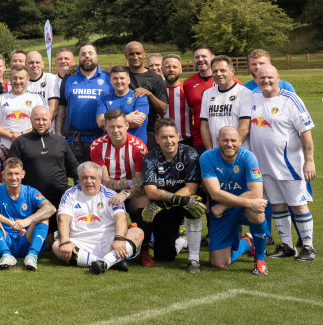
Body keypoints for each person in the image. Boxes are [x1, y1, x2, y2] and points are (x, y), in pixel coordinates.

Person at [247, 65, 317, 262]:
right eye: (262, 78)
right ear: (256, 79)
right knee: (277, 205)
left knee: (298, 205)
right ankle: (287, 246)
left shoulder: (290, 99)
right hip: (264, 166)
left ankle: (309, 247)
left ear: (278, 78)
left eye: (270, 77)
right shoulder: (253, 98)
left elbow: (306, 133)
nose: (266, 81)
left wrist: (309, 161)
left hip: (290, 165)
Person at [52, 161, 145, 274]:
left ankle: (105, 262)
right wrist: (66, 241)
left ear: (100, 180)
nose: (89, 181)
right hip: (80, 243)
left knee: (138, 232)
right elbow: (63, 219)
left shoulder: (110, 194)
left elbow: (120, 218)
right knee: (57, 246)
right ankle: (110, 262)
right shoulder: (69, 194)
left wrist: (119, 239)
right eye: (84, 178)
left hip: (109, 242)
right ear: (79, 180)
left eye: (93, 178)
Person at [200, 126, 269, 274]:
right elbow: (215, 194)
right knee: (219, 264)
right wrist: (248, 202)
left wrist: (224, 205)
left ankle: (260, 258)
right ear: (218, 141)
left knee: (257, 210)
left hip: (236, 209)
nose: (229, 144)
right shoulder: (207, 157)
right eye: (225, 140)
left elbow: (256, 193)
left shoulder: (249, 157)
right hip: (221, 213)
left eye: (233, 140)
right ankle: (246, 243)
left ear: (240, 141)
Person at [140, 120, 207, 273]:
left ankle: (194, 258)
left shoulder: (190, 154)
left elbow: (191, 189)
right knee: (164, 256)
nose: (168, 141)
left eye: (171, 136)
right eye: (164, 137)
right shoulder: (150, 158)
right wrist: (168, 202)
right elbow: (151, 192)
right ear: (157, 139)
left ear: (178, 137)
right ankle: (183, 241)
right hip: (166, 207)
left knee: (193, 206)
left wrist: (163, 203)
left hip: (175, 203)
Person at [0, 158, 56, 270]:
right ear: (3, 175)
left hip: (25, 238)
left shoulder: (31, 191)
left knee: (43, 215)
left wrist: (26, 221)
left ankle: (32, 256)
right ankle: (6, 255)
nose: (14, 178)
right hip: (4, 239)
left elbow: (51, 208)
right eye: (10, 174)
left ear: (23, 174)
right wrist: (10, 222)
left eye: (17, 174)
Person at [7, 106, 78, 210]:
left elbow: (73, 168)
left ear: (50, 120)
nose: (41, 123)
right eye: (37, 119)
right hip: (32, 199)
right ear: (31, 120)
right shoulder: (20, 142)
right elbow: (11, 171)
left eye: (44, 119)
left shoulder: (61, 141)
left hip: (61, 197)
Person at [90, 110, 150, 227]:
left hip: (132, 193)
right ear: (105, 127)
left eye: (119, 126)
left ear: (127, 125)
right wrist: (128, 183)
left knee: (143, 201)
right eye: (111, 127)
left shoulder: (139, 148)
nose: (116, 130)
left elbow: (140, 184)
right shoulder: (96, 146)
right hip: (106, 192)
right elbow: (105, 181)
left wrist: (125, 193)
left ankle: (144, 240)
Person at [58, 43, 111, 161]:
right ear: (78, 58)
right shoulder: (69, 77)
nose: (87, 56)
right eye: (83, 54)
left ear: (97, 56)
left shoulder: (108, 77)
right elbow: (62, 105)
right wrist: (58, 132)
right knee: (78, 176)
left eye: (90, 53)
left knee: (100, 176)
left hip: (101, 137)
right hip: (75, 138)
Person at [198, 55, 252, 150]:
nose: (218, 74)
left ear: (232, 71)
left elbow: (245, 127)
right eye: (215, 71)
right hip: (215, 152)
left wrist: (230, 148)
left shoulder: (245, 93)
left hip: (238, 151)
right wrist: (211, 152)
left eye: (223, 70)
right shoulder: (207, 94)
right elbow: (204, 126)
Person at [0, 66, 47, 149]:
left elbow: (45, 123)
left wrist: (22, 134)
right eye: (15, 78)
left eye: (21, 78)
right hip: (5, 148)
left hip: (32, 147)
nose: (18, 81)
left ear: (27, 79)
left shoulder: (37, 99)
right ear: (10, 79)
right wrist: (11, 136)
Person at [93, 65, 149, 143]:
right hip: (111, 147)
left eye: (122, 78)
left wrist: (110, 124)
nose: (119, 81)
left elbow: (138, 122)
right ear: (110, 81)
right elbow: (100, 123)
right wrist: (127, 118)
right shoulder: (104, 99)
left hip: (136, 147)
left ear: (129, 80)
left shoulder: (139, 96)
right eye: (115, 78)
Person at [125, 41, 168, 132]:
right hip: (123, 130)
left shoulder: (155, 79)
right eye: (131, 54)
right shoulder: (121, 75)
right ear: (126, 56)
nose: (135, 57)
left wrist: (149, 94)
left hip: (148, 131)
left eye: (138, 53)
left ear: (144, 55)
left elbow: (163, 110)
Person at [182, 45, 217, 148]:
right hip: (199, 140)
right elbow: (193, 110)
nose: (200, 59)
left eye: (204, 56)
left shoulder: (228, 81)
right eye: (197, 57)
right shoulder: (188, 83)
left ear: (213, 58)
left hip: (223, 140)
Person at [162, 54, 195, 147]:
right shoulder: (157, 91)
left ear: (181, 70)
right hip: (163, 140)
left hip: (186, 140)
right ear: (162, 69)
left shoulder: (187, 89)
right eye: (167, 67)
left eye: (175, 67)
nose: (171, 69)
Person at [24, 51, 60, 120]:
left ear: (42, 64)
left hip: (45, 127)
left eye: (37, 62)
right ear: (26, 64)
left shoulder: (50, 78)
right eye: (31, 63)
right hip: (26, 128)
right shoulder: (21, 82)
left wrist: (42, 125)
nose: (34, 65)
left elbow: (53, 109)